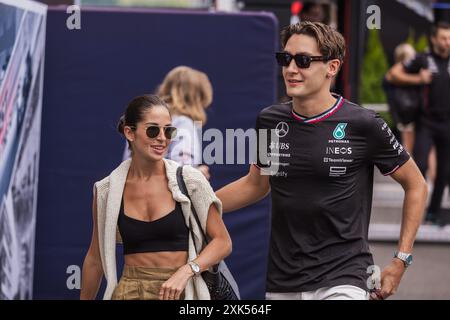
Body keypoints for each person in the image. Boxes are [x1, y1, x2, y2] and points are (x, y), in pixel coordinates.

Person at [216, 21, 427, 300]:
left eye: (303, 60)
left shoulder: (363, 123)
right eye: (285, 58)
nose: (291, 69)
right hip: (284, 279)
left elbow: (417, 185)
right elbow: (256, 185)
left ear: (332, 67)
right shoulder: (269, 120)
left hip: (345, 276)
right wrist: (198, 204)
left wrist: (401, 260)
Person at [80, 94, 232, 300]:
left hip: (182, 290)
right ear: (129, 133)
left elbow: (223, 242)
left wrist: (187, 270)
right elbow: (94, 259)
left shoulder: (190, 180)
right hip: (129, 292)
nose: (162, 137)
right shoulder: (107, 189)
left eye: (169, 130)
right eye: (153, 130)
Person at [389, 22, 450, 226]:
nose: (447, 42)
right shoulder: (423, 59)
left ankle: (433, 212)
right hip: (426, 122)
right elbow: (393, 74)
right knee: (420, 165)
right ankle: (416, 209)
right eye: (443, 38)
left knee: (444, 171)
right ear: (434, 39)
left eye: (449, 38)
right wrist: (418, 78)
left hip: (448, 124)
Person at [156, 66, 213, 180]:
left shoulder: (144, 120)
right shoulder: (184, 124)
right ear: (198, 97)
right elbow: (179, 175)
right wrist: (198, 174)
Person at [384, 43, 418, 153]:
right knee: (405, 149)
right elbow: (391, 76)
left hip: (413, 115)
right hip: (401, 117)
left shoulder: (412, 74)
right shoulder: (392, 75)